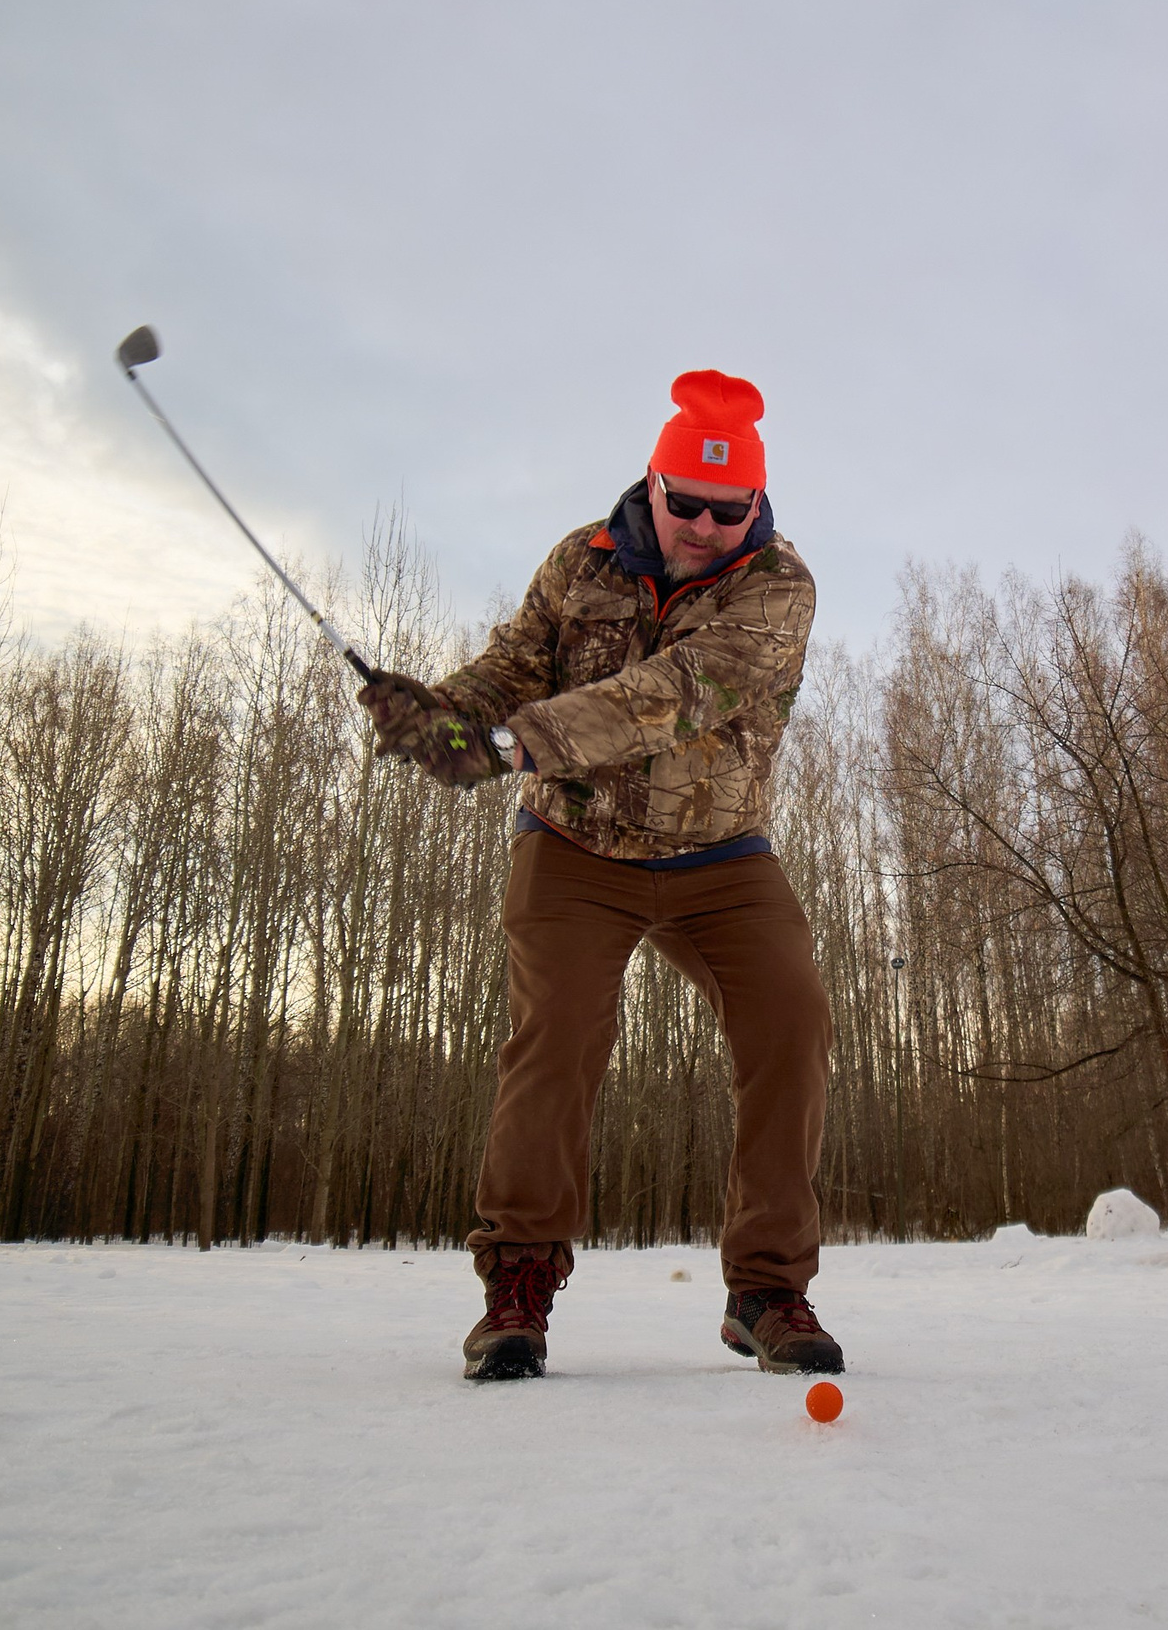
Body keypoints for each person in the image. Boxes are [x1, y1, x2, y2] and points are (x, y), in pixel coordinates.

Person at [360, 369, 842, 1381]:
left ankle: (765, 1289)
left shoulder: (779, 587)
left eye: (732, 508)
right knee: (557, 1040)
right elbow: (514, 667)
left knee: (791, 1024)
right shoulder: (577, 562)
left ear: (755, 504)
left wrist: (507, 743)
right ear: (653, 486)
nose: (709, 527)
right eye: (690, 504)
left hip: (721, 858)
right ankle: (517, 1287)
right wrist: (442, 713)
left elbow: (668, 695)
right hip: (574, 850)